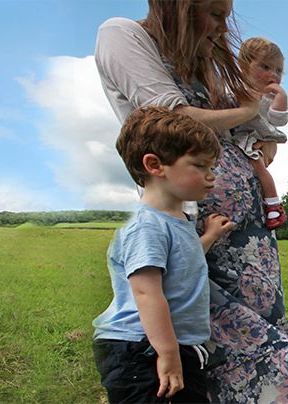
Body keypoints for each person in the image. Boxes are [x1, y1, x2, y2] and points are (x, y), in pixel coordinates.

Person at [95, 1, 288, 402]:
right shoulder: (122, 34)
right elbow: (173, 115)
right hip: (197, 230)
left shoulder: (206, 62)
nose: (222, 24)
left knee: (253, 348)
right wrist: (247, 110)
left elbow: (254, 129)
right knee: (277, 367)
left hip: (245, 236)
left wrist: (259, 134)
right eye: (214, 13)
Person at [92, 107, 235, 403]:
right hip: (141, 349)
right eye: (200, 166)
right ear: (155, 165)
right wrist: (168, 354)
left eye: (213, 168)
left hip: (166, 346)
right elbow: (146, 293)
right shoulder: (147, 226)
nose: (211, 177)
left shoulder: (176, 220)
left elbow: (181, 263)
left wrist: (207, 237)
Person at [235, 37, 288, 230]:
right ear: (243, 66)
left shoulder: (271, 98)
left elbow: (279, 120)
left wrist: (281, 99)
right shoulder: (235, 90)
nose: (273, 75)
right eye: (265, 67)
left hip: (254, 138)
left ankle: (274, 204)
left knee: (258, 166)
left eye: (278, 70)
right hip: (236, 138)